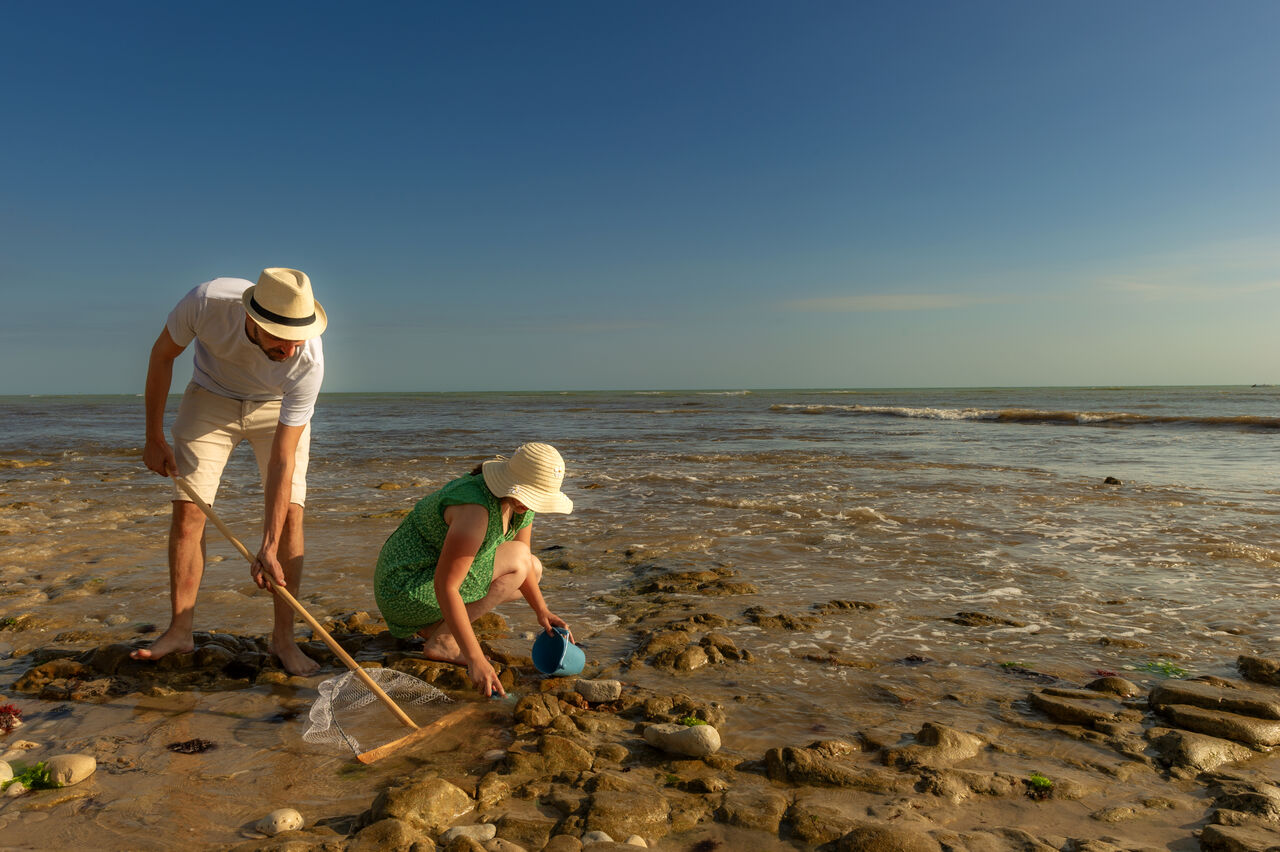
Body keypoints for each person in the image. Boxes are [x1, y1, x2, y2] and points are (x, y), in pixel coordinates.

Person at [134, 268, 327, 675]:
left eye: (296, 341)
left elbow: (282, 459)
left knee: (291, 511)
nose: (289, 350)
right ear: (252, 320)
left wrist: (268, 547)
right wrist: (153, 436)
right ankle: (180, 630)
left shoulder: (307, 359)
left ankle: (284, 640)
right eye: (279, 338)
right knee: (190, 510)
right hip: (211, 396)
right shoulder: (206, 303)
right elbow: (162, 355)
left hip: (274, 407)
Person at [374, 442, 575, 698]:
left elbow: (524, 565)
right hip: (403, 589)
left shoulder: (520, 505)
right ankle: (443, 640)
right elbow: (446, 586)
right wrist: (475, 658)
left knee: (532, 568)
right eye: (531, 494)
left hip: (426, 583)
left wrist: (542, 610)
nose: (531, 502)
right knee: (519, 560)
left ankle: (434, 627)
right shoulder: (475, 510)